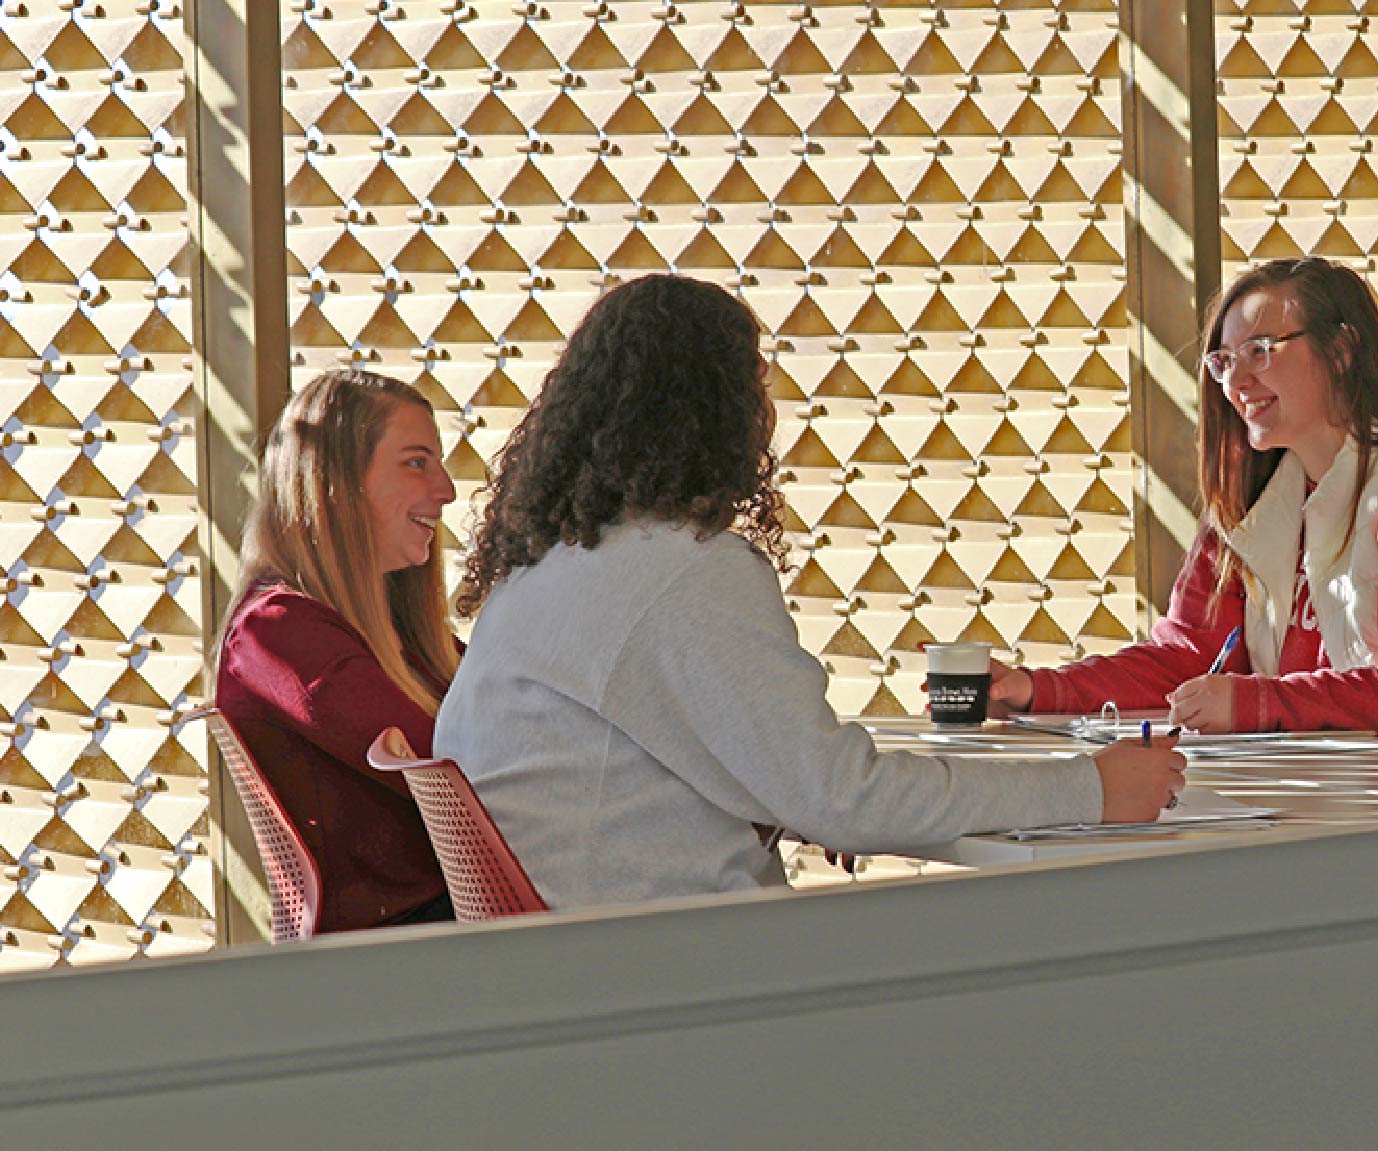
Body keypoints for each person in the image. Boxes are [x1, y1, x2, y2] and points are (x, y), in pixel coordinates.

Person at [435, 274, 1185, 912]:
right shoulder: (682, 570)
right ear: (717, 413)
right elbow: (843, 799)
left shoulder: (544, 571)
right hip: (681, 983)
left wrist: (799, 799)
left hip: (584, 970)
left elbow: (771, 782)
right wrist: (1089, 787)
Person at [985, 256, 1378, 738]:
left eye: (1259, 350)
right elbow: (1185, 658)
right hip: (1315, 801)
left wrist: (1258, 702)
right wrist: (1035, 689)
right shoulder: (1253, 499)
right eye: (1224, 361)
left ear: (1343, 350)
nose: (1235, 383)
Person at [210, 370, 462, 931]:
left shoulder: (392, 631)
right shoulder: (277, 633)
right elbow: (464, 769)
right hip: (384, 965)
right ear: (336, 483)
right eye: (417, 462)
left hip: (444, 939)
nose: (446, 490)